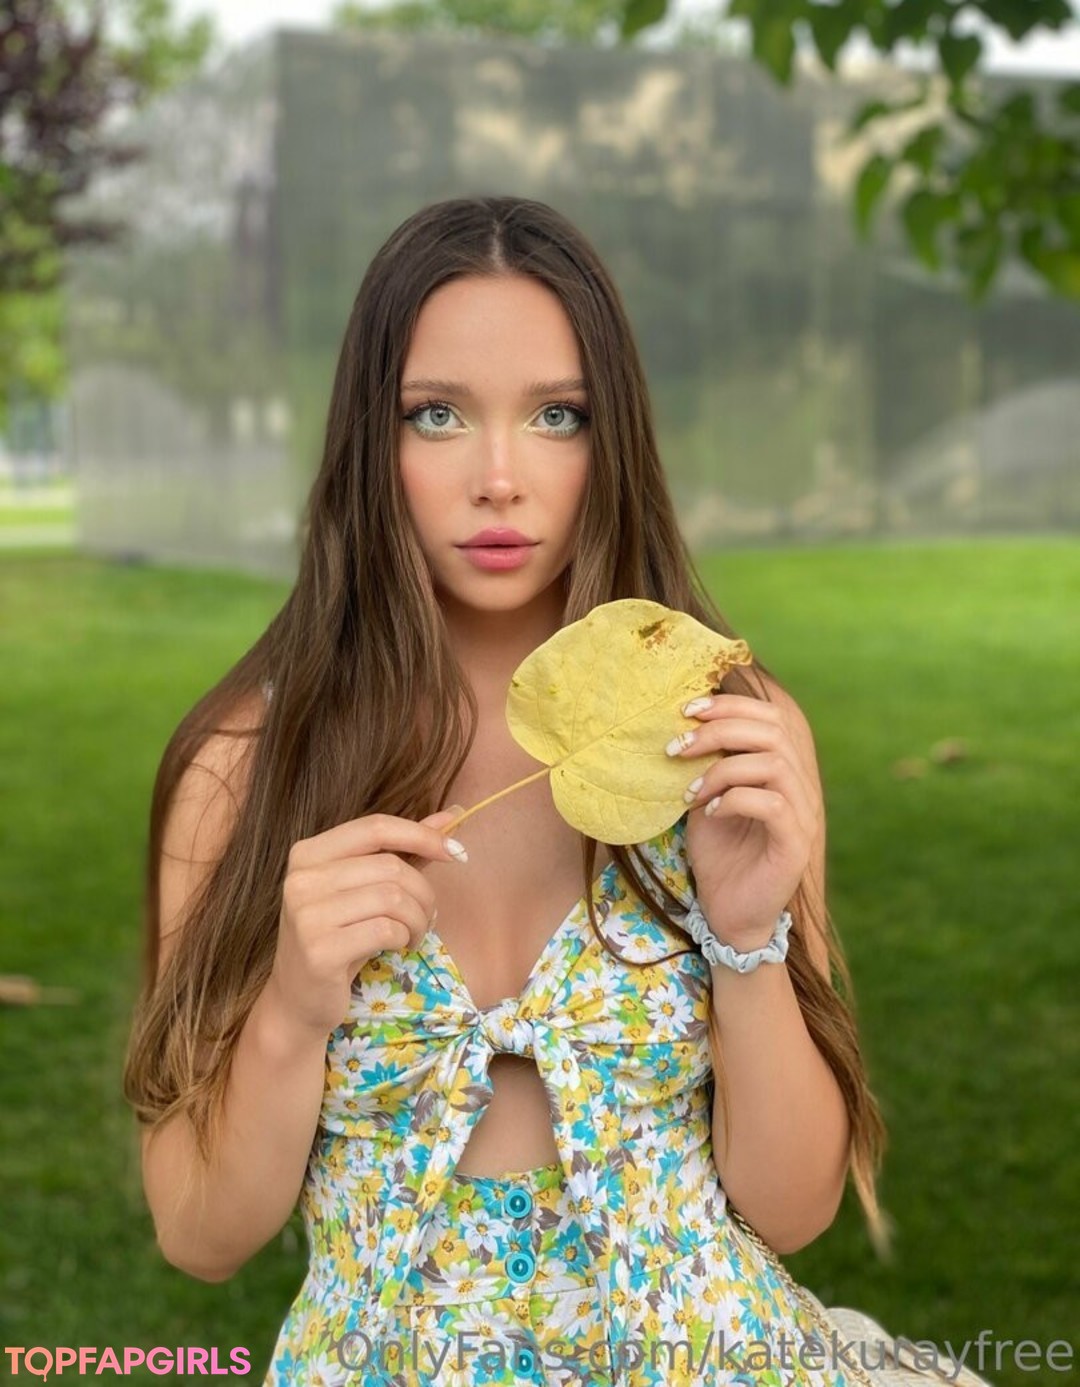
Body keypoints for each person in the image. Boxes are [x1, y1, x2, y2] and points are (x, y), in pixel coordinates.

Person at [123, 195, 979, 1387]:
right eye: (435, 414)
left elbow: (789, 1211)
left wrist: (746, 939)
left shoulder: (726, 738)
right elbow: (199, 1234)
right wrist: (292, 1009)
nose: (499, 479)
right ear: (369, 440)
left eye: (556, 415)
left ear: (611, 439)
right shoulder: (246, 766)